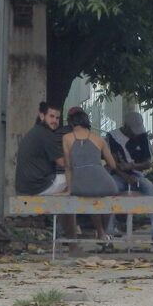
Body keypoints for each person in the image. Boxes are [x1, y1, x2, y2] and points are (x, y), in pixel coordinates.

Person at [16, 102, 78, 243]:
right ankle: (74, 242)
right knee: (75, 182)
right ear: (42, 116)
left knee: (67, 193)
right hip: (39, 185)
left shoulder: (36, 132)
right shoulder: (45, 135)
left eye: (57, 118)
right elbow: (63, 163)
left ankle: (68, 237)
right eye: (51, 116)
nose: (55, 121)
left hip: (27, 185)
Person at [106, 112, 153, 249]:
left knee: (152, 191)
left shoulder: (142, 136)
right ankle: (108, 236)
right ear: (125, 126)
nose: (135, 134)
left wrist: (132, 167)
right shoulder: (112, 137)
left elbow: (147, 163)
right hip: (118, 175)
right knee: (109, 193)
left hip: (137, 175)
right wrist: (125, 176)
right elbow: (113, 163)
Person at [62, 107, 120, 241]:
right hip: (103, 182)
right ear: (86, 122)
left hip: (80, 185)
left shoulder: (67, 138)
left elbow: (68, 166)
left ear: (71, 123)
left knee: (91, 196)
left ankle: (100, 232)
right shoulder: (99, 139)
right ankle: (102, 232)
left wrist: (69, 189)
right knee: (106, 197)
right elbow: (112, 165)